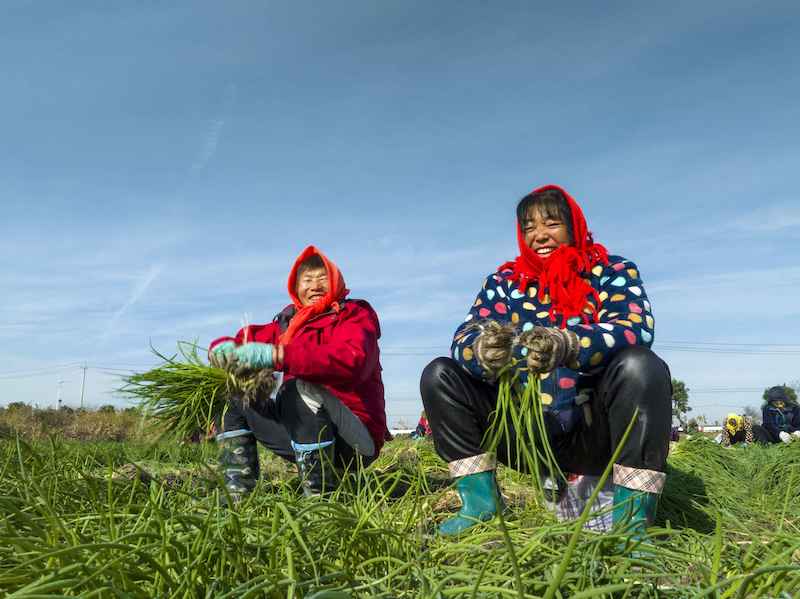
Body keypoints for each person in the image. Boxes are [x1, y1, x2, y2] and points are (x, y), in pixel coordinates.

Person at [420, 185, 672, 537]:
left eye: (551, 224)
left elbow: (634, 329)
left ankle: (632, 523)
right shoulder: (505, 283)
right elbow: (465, 335)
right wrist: (481, 351)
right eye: (529, 228)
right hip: (526, 434)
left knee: (641, 367)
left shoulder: (610, 271)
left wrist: (570, 343)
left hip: (592, 432)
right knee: (439, 375)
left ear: (574, 226)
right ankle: (481, 507)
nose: (539, 235)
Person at [208, 246, 388, 498]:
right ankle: (238, 495)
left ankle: (320, 500)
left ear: (336, 282)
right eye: (307, 280)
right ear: (295, 287)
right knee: (231, 391)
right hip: (301, 433)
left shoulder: (354, 315)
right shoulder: (286, 323)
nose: (315, 286)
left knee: (299, 387)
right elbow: (245, 338)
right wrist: (221, 350)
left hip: (355, 441)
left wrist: (277, 355)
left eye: (323, 279)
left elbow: (352, 361)